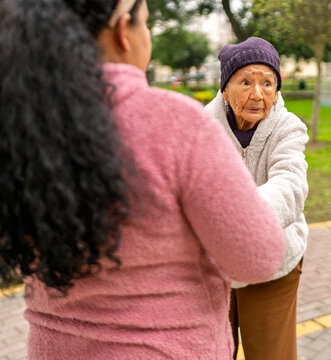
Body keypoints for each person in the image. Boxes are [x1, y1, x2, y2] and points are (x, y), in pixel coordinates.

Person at [0, 1, 286, 359]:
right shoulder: (175, 123)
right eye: (146, 23)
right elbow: (258, 258)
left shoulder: (19, 128)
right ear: (124, 30)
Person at [205, 37, 309, 360]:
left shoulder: (288, 128)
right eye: (246, 81)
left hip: (272, 265)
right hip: (215, 267)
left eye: (267, 82)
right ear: (225, 88)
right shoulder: (202, 128)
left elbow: (291, 186)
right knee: (210, 353)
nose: (257, 93)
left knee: (271, 354)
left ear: (277, 89)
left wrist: (238, 211)